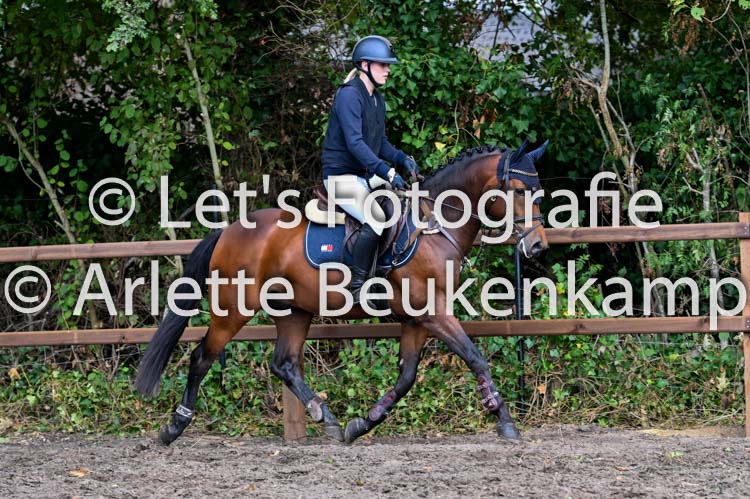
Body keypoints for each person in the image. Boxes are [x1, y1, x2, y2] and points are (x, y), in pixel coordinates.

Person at [321, 35, 419, 304]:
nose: (388, 70)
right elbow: (355, 143)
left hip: (364, 176)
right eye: (382, 65)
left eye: (388, 65)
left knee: (402, 208)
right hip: (340, 177)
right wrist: (387, 172)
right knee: (375, 219)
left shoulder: (377, 99)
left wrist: (401, 158)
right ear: (364, 65)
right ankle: (356, 288)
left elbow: (380, 142)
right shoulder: (349, 95)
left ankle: (383, 275)